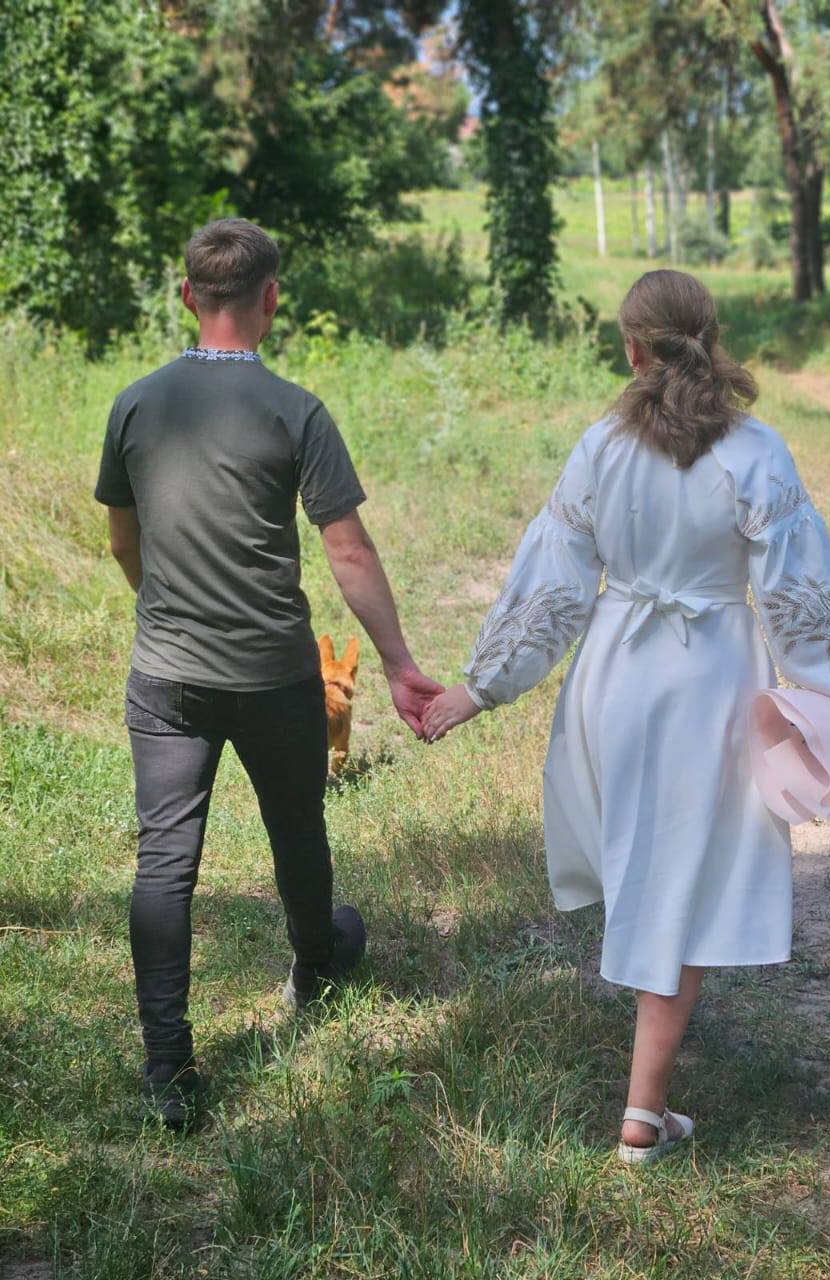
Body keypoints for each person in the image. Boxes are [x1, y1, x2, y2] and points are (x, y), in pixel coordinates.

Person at [422, 270, 830, 1164]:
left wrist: (480, 688)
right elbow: (798, 596)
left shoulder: (602, 448)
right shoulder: (756, 451)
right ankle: (642, 1114)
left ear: (633, 349)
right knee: (682, 874)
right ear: (712, 339)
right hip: (711, 680)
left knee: (656, 867)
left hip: (618, 673)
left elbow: (554, 586)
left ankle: (648, 1103)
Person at [95, 218, 441, 1128]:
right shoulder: (295, 409)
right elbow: (349, 551)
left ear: (186, 297)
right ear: (271, 299)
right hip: (274, 675)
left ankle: (167, 1070)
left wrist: (164, 609)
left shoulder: (135, 404)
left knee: (164, 862)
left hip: (167, 674)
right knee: (297, 829)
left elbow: (124, 542)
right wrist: (399, 664)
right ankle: (317, 965)